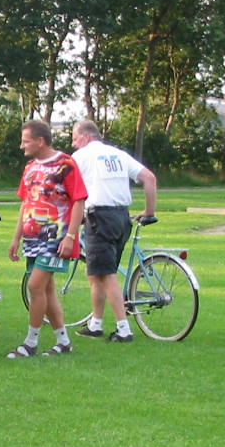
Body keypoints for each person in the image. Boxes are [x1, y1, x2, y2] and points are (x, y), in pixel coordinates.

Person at [71, 119, 158, 343]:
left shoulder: (81, 156)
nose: (73, 143)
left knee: (107, 274)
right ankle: (96, 323)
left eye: (75, 138)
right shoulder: (119, 155)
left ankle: (123, 328)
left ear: (86, 136)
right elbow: (149, 178)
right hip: (122, 217)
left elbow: (70, 189)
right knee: (96, 272)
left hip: (99, 218)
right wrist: (149, 211)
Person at [7, 120, 88, 358]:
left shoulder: (65, 164)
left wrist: (70, 236)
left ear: (40, 141)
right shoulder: (30, 168)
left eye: (26, 141)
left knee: (34, 286)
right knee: (46, 289)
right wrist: (16, 238)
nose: (22, 146)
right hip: (32, 239)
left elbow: (79, 200)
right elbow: (26, 203)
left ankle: (30, 343)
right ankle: (64, 341)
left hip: (55, 239)